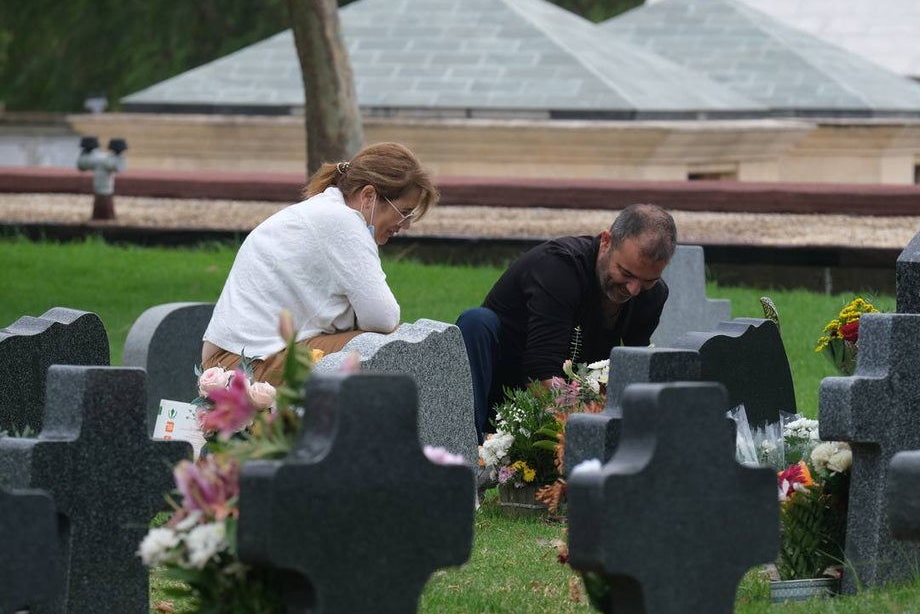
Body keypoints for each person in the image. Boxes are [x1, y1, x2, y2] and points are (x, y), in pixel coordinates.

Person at [201, 141, 438, 384]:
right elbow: (384, 318)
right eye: (404, 212)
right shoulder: (342, 221)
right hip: (244, 364)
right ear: (368, 196)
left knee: (393, 348)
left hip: (234, 360)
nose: (406, 225)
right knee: (391, 350)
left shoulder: (326, 211)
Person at [457, 203, 677, 442]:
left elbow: (629, 373)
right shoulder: (559, 267)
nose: (633, 290)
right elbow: (541, 371)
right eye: (626, 273)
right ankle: (467, 442)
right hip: (503, 392)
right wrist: (588, 428)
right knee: (477, 321)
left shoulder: (653, 296)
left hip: (568, 402)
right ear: (606, 242)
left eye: (648, 281)